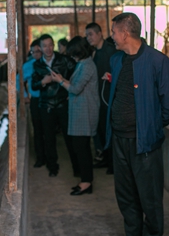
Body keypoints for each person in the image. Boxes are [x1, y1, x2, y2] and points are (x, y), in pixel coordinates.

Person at [105, 12, 169, 236]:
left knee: (150, 197)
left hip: (144, 143)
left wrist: (152, 127)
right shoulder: (116, 60)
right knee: (126, 195)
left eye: (114, 32)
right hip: (119, 139)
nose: (112, 37)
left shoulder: (158, 61)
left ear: (125, 33)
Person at [50, 36, 99, 195]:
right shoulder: (83, 64)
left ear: (79, 52)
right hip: (80, 112)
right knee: (80, 147)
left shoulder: (88, 66)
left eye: (73, 53)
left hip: (85, 112)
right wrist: (63, 79)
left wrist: (59, 81)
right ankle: (85, 180)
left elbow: (76, 89)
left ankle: (86, 182)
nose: (72, 56)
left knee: (82, 148)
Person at [31, 34, 76, 177]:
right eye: (45, 46)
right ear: (40, 48)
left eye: (50, 45)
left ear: (54, 45)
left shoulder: (64, 60)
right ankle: (52, 167)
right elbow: (34, 85)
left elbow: (76, 75)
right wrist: (43, 82)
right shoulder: (37, 65)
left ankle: (77, 167)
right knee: (49, 137)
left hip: (63, 103)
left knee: (70, 137)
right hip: (46, 105)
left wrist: (70, 88)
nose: (48, 48)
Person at [85, 22, 117, 174]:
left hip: (109, 98)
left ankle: (112, 163)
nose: (89, 38)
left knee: (109, 130)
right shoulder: (94, 53)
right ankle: (104, 158)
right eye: (87, 36)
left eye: (91, 34)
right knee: (100, 130)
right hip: (97, 97)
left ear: (99, 34)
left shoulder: (111, 51)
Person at [17, 39, 46, 168]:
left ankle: (51, 158)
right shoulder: (28, 66)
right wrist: (24, 96)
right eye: (33, 52)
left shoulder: (48, 62)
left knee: (49, 130)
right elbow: (19, 81)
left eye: (38, 51)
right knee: (38, 129)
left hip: (49, 99)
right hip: (36, 100)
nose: (36, 54)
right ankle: (40, 157)